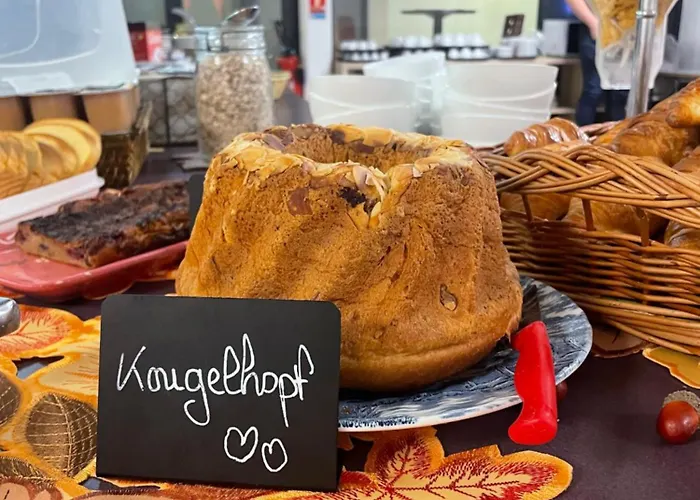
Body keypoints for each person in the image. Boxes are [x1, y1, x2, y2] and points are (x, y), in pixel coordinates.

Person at [565, 0, 629, 125]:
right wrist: (593, 23)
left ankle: (615, 136)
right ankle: (582, 136)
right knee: (593, 90)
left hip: (624, 32)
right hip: (597, 30)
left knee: (620, 93)